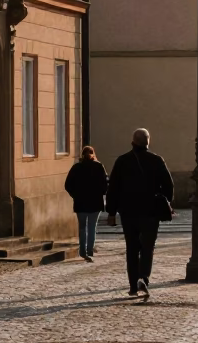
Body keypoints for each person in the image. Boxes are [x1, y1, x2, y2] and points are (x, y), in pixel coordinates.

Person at [106, 128, 173, 299]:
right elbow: (168, 185)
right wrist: (166, 201)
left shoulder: (122, 161)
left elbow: (112, 188)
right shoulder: (157, 160)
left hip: (128, 212)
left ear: (132, 142)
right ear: (148, 142)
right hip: (151, 211)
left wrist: (111, 212)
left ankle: (133, 285)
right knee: (148, 247)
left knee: (132, 247)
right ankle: (144, 277)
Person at [64, 146, 107, 262]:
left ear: (82, 154)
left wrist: (75, 195)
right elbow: (105, 184)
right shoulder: (98, 166)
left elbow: (67, 184)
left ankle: (82, 251)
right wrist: (101, 193)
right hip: (95, 202)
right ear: (93, 154)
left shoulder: (76, 167)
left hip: (80, 202)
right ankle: (90, 250)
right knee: (92, 226)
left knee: (82, 227)